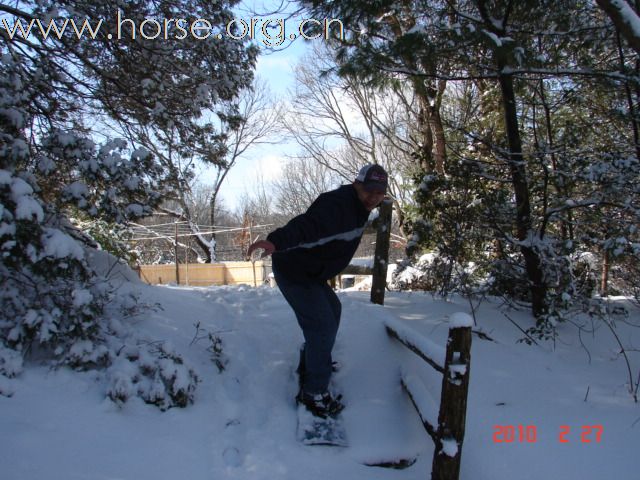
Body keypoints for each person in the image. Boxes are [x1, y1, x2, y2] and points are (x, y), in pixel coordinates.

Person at [247, 164, 389, 418]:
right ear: (356, 184)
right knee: (321, 325)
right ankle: (313, 393)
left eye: (379, 193)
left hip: (311, 272)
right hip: (294, 270)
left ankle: (313, 361)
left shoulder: (360, 207)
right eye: (369, 190)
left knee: (333, 311)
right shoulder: (336, 205)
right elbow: (306, 226)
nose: (374, 197)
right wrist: (276, 241)